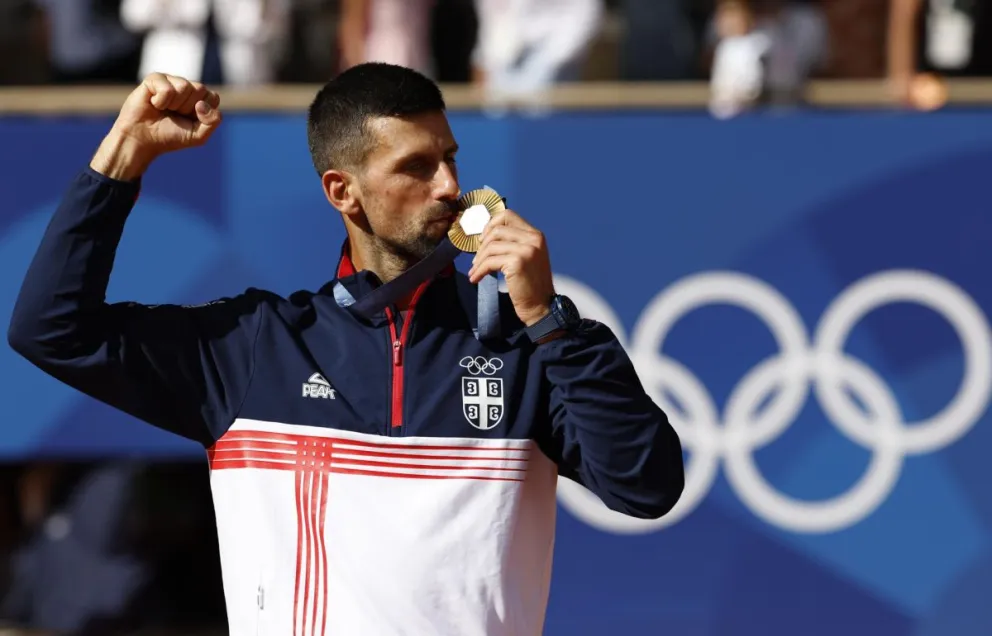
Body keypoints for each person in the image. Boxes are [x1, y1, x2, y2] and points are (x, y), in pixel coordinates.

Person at [7, 63, 684, 635]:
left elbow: (645, 487)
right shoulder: (256, 345)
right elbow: (50, 328)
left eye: (449, 158)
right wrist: (122, 158)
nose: (449, 187)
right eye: (416, 167)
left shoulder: (528, 345)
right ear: (344, 193)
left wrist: (548, 319)